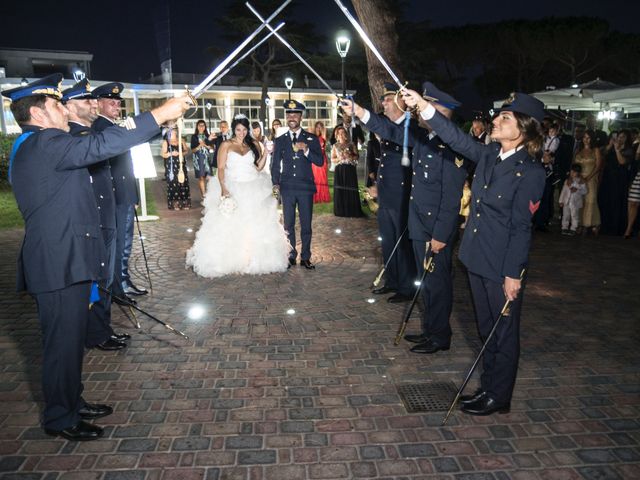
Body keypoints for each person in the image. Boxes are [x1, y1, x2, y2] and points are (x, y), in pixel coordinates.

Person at [2, 73, 189, 441]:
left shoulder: (40, 144)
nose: (64, 109)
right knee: (61, 345)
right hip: (58, 262)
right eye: (58, 104)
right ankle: (61, 417)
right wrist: (162, 113)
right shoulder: (45, 142)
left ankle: (72, 401)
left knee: (70, 341)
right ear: (39, 113)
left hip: (63, 258)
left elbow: (104, 144)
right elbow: (102, 144)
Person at [401, 88, 546, 415]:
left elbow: (522, 228)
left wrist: (513, 274)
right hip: (476, 256)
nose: (496, 120)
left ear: (523, 128)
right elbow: (454, 137)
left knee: (504, 332)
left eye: (505, 118)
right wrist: (424, 107)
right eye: (499, 115)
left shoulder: (531, 172)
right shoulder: (490, 154)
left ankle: (499, 395)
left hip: (502, 263)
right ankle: (489, 387)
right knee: (485, 328)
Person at [343, 81, 467, 354]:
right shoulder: (426, 137)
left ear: (442, 112)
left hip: (435, 228)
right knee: (426, 282)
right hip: (420, 224)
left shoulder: (451, 145)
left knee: (438, 283)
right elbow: (390, 130)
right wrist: (360, 112)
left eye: (429, 106)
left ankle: (439, 336)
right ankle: (431, 330)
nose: (421, 111)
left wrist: (441, 234)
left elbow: (451, 197)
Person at [62, 79, 128, 352]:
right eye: (85, 101)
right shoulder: (76, 138)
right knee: (97, 279)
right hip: (95, 220)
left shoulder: (89, 134)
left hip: (105, 215)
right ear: (68, 107)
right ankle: (97, 332)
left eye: (92, 99)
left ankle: (102, 329)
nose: (92, 104)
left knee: (103, 278)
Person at [186, 115, 289, 277]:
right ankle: (231, 259)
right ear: (234, 130)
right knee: (230, 226)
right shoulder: (226, 145)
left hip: (254, 186)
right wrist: (223, 188)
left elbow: (259, 167)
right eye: (238, 130)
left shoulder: (254, 144)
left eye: (244, 130)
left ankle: (253, 259)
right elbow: (220, 169)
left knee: (255, 224)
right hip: (233, 186)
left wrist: (267, 153)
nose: (241, 133)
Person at [92, 82, 148, 300]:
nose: (116, 105)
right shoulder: (101, 128)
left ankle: (122, 280)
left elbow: (126, 165)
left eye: (118, 102)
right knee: (119, 243)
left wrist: (132, 194)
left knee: (125, 241)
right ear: (99, 104)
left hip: (124, 193)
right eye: (111, 102)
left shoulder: (111, 126)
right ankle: (119, 285)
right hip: (115, 195)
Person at [364, 82, 415, 303]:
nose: (383, 102)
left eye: (387, 98)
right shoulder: (390, 129)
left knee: (402, 243)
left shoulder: (411, 128)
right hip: (387, 196)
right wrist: (377, 186)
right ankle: (392, 280)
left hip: (403, 197)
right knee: (388, 241)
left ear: (401, 100)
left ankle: (406, 286)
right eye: (383, 99)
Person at [271, 100, 324, 269]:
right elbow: (274, 165)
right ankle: (291, 255)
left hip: (305, 188)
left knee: (306, 224)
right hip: (287, 188)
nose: (291, 117)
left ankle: (306, 256)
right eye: (289, 114)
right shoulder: (280, 140)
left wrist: (306, 150)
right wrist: (276, 184)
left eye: (295, 114)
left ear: (301, 117)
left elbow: (320, 161)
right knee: (288, 225)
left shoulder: (311, 138)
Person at [598, 130, 634, 236]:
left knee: (616, 202)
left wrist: (618, 150)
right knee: (605, 200)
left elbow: (622, 162)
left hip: (620, 179)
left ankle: (615, 227)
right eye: (619, 136)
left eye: (623, 137)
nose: (620, 138)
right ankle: (604, 226)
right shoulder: (611, 147)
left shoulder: (628, 150)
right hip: (608, 177)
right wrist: (610, 145)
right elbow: (602, 155)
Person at [573, 130, 602, 234]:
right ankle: (580, 223)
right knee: (579, 201)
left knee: (591, 199)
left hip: (591, 178)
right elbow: (574, 166)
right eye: (584, 137)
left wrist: (588, 177)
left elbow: (598, 165)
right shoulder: (578, 150)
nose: (586, 139)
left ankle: (590, 223)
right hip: (579, 179)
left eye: (588, 137)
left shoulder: (595, 150)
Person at [332, 125, 364, 218]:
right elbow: (333, 159)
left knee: (351, 189)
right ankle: (340, 211)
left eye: (343, 133)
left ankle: (352, 210)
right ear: (337, 135)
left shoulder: (351, 144)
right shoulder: (335, 146)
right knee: (340, 189)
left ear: (346, 134)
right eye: (339, 133)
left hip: (350, 169)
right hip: (340, 170)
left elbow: (357, 156)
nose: (341, 135)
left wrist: (350, 156)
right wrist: (339, 158)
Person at [162, 126, 192, 210]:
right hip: (171, 165)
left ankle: (185, 202)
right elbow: (163, 154)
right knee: (173, 183)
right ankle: (175, 203)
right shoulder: (166, 142)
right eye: (172, 132)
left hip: (181, 164)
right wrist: (171, 154)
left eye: (175, 132)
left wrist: (181, 153)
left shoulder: (181, 140)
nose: (174, 133)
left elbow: (186, 151)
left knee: (183, 182)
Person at [559, 164, 588, 235]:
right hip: (566, 201)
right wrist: (561, 201)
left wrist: (577, 188)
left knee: (574, 216)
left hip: (575, 202)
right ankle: (564, 227)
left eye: (574, 172)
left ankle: (573, 228)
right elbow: (563, 191)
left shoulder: (581, 182)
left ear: (578, 173)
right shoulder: (567, 181)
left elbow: (585, 191)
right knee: (565, 215)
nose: (572, 173)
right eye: (571, 172)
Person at [190, 120, 215, 198]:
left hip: (207, 158)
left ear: (205, 127)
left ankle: (211, 194)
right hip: (198, 159)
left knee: (209, 177)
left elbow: (213, 148)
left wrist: (207, 146)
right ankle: (204, 196)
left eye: (203, 125)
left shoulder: (208, 136)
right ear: (197, 127)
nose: (201, 127)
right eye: (200, 125)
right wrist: (200, 146)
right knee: (201, 177)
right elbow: (193, 150)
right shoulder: (194, 137)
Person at [312, 121, 331, 203]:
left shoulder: (323, 138)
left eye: (320, 127)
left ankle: (323, 197)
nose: (319, 128)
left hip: (323, 160)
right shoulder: (312, 137)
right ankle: (316, 197)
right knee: (315, 179)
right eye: (317, 127)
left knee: (323, 179)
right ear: (315, 128)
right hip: (314, 161)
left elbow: (324, 150)